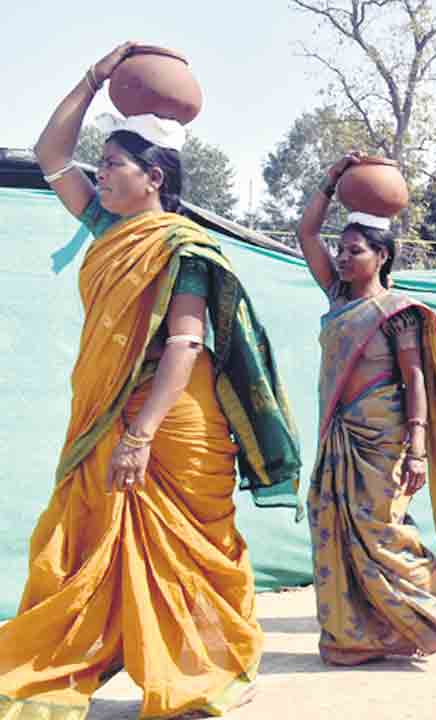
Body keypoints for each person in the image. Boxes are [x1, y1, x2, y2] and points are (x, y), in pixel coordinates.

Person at [0, 44, 302, 718]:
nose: (99, 175)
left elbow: (186, 342)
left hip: (168, 422)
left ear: (155, 176)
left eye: (113, 165)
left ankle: (202, 673)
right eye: (101, 165)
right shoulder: (107, 227)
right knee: (86, 544)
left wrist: (140, 433)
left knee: (192, 549)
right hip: (108, 415)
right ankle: (76, 656)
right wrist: (92, 78)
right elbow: (51, 155)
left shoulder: (181, 247)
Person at [297, 154, 436, 664]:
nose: (343, 259)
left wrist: (416, 449)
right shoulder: (336, 297)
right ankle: (355, 635)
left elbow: (414, 378)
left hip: (384, 437)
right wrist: (330, 182)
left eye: (354, 251)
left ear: (381, 256)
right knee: (330, 520)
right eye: (341, 251)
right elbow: (305, 234)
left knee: (382, 527)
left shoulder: (398, 314)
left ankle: (427, 615)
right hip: (340, 435)